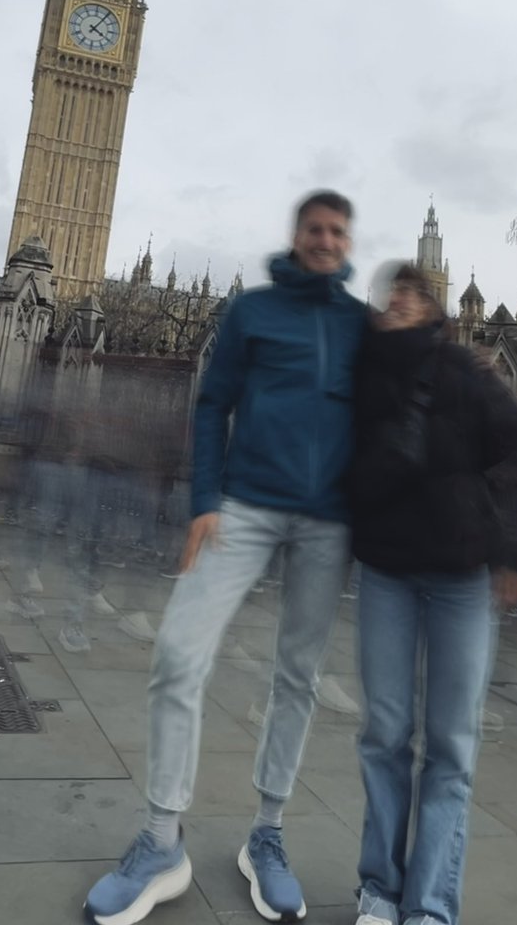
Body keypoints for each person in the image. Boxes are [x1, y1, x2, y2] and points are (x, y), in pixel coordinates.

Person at [84, 191, 366, 925]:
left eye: (337, 231)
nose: (326, 240)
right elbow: (212, 404)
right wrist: (204, 498)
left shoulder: (360, 324)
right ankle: (159, 839)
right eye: (315, 228)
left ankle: (265, 836)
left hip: (327, 523)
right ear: (297, 236)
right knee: (177, 654)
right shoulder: (252, 312)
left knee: (298, 677)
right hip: (242, 506)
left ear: (346, 241)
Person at [349, 264, 517, 925]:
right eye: (390, 291)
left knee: (451, 747)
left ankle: (427, 908)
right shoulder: (362, 367)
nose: (399, 299)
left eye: (414, 292)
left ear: (437, 309)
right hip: (386, 571)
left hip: (460, 576)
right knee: (384, 736)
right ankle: (378, 888)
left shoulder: (467, 372)